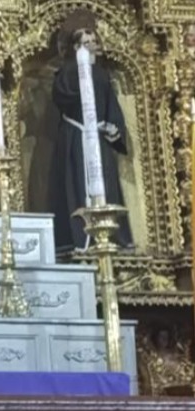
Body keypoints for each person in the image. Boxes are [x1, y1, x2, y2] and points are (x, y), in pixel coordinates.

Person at [49, 15, 133, 253]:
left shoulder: (102, 74)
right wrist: (80, 70)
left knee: (105, 183)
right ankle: (80, 238)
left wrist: (113, 128)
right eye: (85, 43)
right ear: (75, 47)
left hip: (98, 137)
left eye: (93, 41)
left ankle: (112, 236)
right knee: (76, 181)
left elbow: (110, 105)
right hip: (77, 136)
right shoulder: (67, 72)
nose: (92, 45)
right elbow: (63, 96)